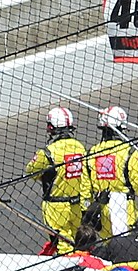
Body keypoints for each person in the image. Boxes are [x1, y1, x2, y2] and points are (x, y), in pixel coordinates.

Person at [85, 107, 138, 242]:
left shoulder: (92, 153)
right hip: (125, 208)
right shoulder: (129, 151)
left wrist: (88, 209)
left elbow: (85, 186)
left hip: (102, 208)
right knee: (128, 245)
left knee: (108, 246)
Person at [27, 106, 93, 253]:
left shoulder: (48, 152)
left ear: (51, 127)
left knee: (62, 244)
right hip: (76, 203)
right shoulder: (79, 147)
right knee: (79, 240)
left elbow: (31, 171)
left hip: (55, 207)